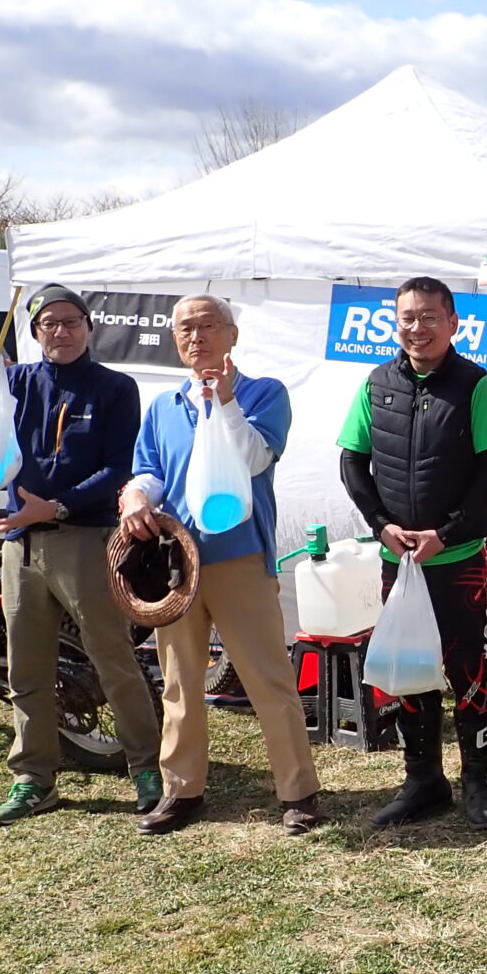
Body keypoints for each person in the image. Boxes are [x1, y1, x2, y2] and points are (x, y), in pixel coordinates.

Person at [0, 283, 162, 827]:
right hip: (20, 544)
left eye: (71, 322)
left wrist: (59, 506)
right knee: (27, 665)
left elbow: (120, 466)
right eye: (49, 323)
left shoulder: (114, 387)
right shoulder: (14, 381)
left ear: (89, 327)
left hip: (85, 537)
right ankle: (34, 778)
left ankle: (146, 767)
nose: (60, 332)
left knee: (111, 657)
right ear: (36, 331)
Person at [118, 295, 325, 835]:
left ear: (232, 334)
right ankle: (181, 790)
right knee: (179, 681)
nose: (197, 336)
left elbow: (255, 458)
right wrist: (135, 495)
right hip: (178, 564)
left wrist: (227, 400)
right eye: (185, 328)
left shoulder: (264, 393)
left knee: (267, 678)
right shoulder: (164, 407)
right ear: (175, 341)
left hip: (240, 558)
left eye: (208, 325)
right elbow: (150, 470)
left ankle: (298, 791)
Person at [339, 277, 487, 829]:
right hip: (399, 558)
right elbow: (352, 461)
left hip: (456, 557)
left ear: (453, 323)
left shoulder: (476, 386)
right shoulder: (377, 384)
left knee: (466, 668)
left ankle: (478, 781)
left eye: (430, 317)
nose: (418, 328)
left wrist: (448, 531)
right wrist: (381, 525)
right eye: (408, 318)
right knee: (410, 666)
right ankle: (422, 781)